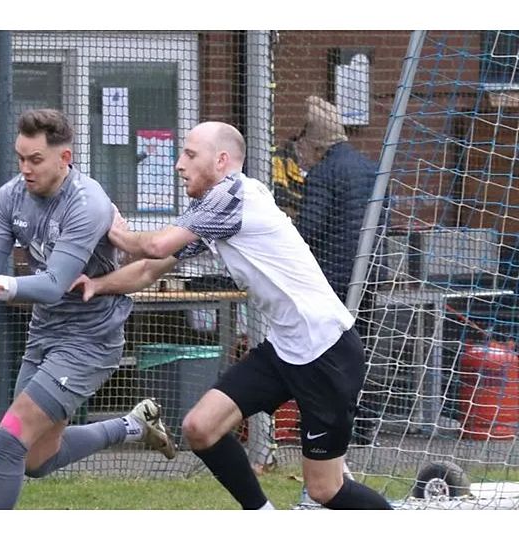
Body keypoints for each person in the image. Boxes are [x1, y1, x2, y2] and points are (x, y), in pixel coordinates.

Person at [71, 121, 392, 510]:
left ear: (221, 160)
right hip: (285, 349)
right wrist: (96, 285)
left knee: (326, 489)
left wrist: (114, 228)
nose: (178, 164)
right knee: (199, 428)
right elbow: (149, 269)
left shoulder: (233, 195)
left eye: (190, 154)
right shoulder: (213, 210)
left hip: (326, 352)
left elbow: (155, 246)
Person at [0, 108, 177, 510]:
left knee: (9, 438)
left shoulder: (87, 203)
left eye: (35, 160)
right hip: (44, 333)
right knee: (35, 459)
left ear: (64, 158)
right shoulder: (10, 198)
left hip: (90, 341)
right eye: (20, 158)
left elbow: (51, 286)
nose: (25, 169)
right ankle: (131, 425)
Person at [295, 96, 380, 444]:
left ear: (314, 140)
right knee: (361, 348)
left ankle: (331, 422)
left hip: (330, 277)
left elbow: (308, 230)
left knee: (327, 353)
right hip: (368, 273)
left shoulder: (323, 173)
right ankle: (364, 421)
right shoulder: (370, 169)